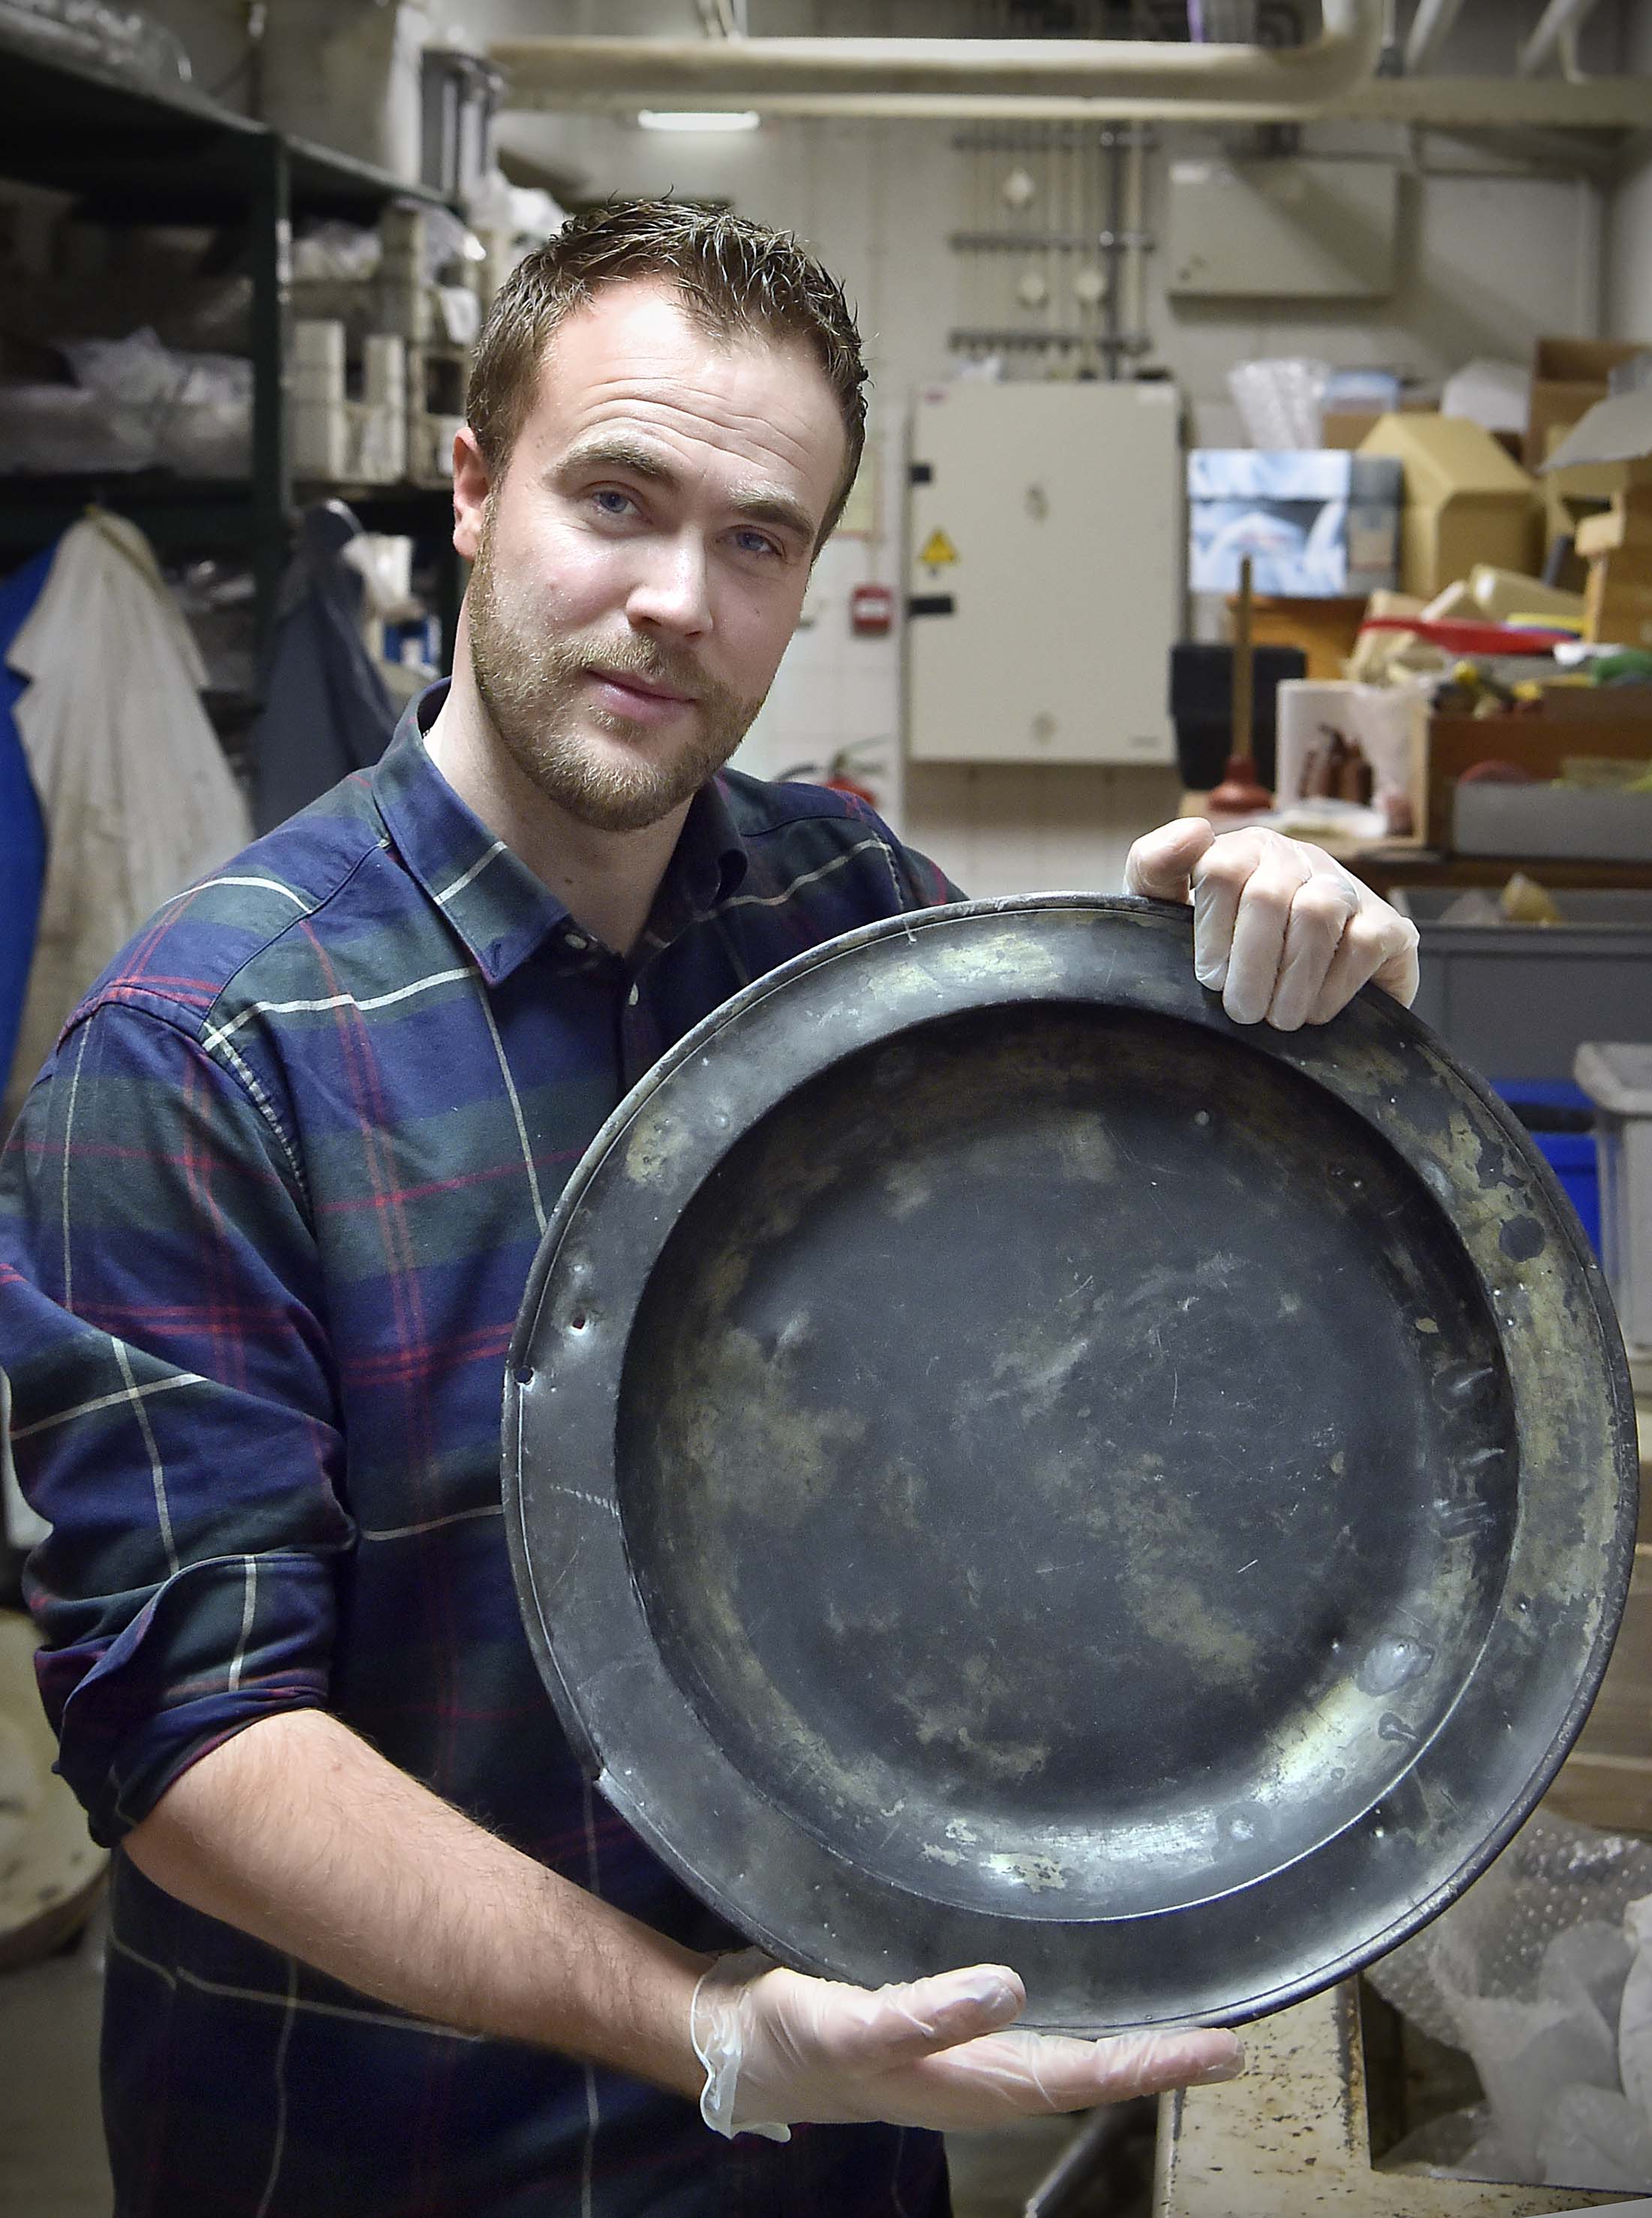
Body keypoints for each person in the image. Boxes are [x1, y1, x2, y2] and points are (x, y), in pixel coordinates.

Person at [0, 201, 1420, 2218]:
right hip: (392, 2158)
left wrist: (1330, 1023)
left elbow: (1126, 1352)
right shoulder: (204, 1054)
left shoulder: (846, 921)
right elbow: (193, 1741)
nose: (678, 597)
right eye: (619, 498)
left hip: (829, 2169)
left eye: (756, 539)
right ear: (477, 492)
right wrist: (708, 2025)